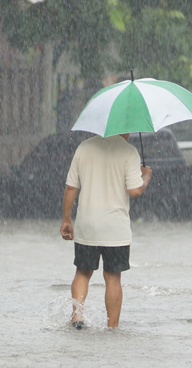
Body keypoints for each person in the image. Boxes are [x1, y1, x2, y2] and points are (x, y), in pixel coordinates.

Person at [60, 133, 152, 328]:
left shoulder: (84, 147)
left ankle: (77, 316)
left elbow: (70, 187)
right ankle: (112, 328)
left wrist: (66, 219)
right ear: (125, 129)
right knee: (112, 277)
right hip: (115, 228)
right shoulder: (129, 152)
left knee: (82, 273)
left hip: (87, 224)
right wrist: (146, 176)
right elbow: (135, 191)